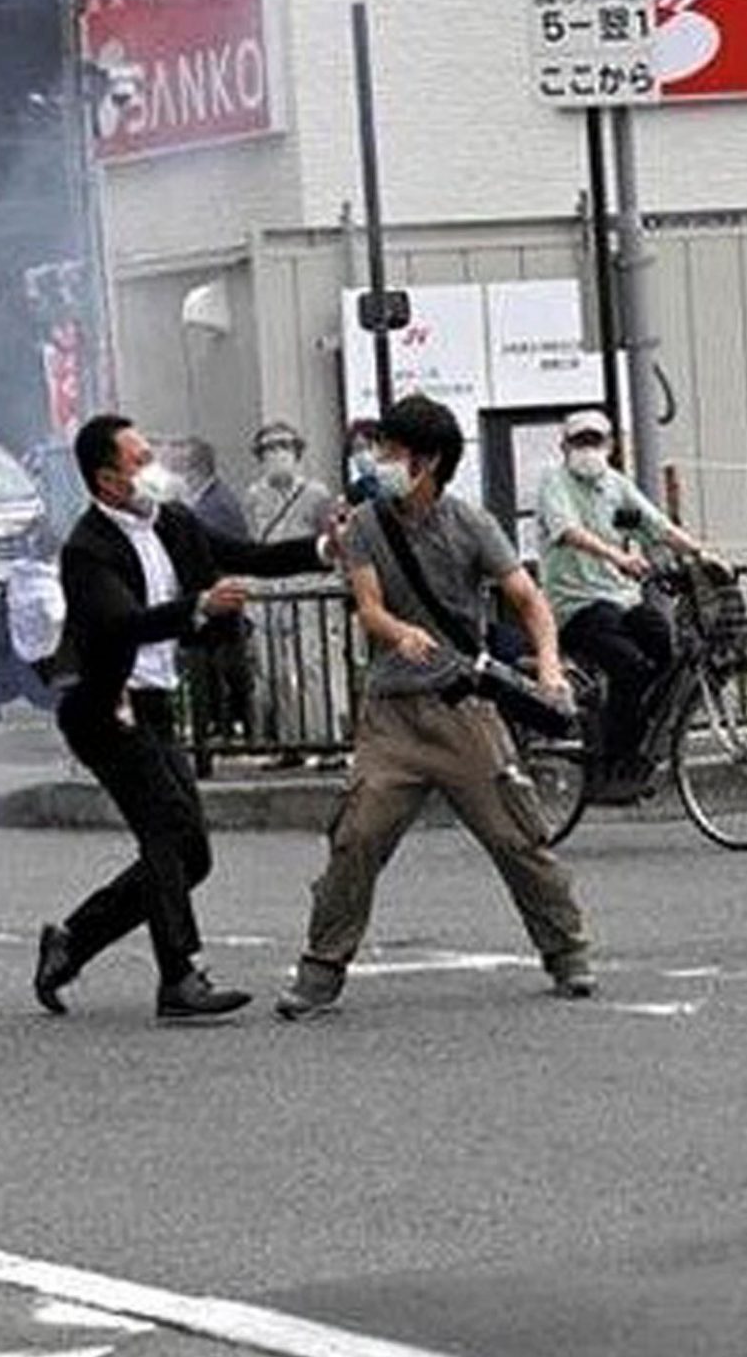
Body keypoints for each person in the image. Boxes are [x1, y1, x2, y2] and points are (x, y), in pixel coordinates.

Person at [275, 394, 595, 1021]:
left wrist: (550, 668)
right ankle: (321, 969)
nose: (379, 460)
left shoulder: (471, 524)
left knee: (515, 833)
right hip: (392, 715)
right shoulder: (365, 524)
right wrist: (397, 632)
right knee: (357, 836)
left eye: (391, 451)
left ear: (427, 462)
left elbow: (529, 601)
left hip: (462, 709)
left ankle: (567, 950)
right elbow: (367, 607)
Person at [31, 414, 337, 1023]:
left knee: (191, 853)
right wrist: (195, 607)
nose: (158, 470)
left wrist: (326, 548)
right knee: (166, 833)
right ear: (108, 480)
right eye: (142, 460)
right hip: (105, 709)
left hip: (157, 703)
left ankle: (72, 941)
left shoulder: (171, 521)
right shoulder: (88, 549)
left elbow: (244, 555)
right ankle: (180, 976)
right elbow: (123, 623)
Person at [534, 407, 716, 798]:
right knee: (630, 668)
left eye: (595, 441)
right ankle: (611, 763)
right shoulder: (555, 482)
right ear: (563, 446)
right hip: (576, 604)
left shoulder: (616, 486)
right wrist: (618, 557)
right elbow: (568, 531)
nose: (588, 450)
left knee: (663, 646)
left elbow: (656, 525)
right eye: (579, 442)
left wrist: (702, 553)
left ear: (611, 445)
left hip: (620, 598)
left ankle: (637, 741)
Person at [240, 420, 347, 768]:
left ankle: (327, 740)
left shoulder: (316, 493)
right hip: (270, 589)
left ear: (297, 452)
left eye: (284, 446)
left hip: (309, 588)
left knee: (314, 667)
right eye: (270, 448)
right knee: (275, 671)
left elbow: (330, 542)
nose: (277, 454)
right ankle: (290, 743)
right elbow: (253, 541)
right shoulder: (254, 495)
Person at [172, 438, 256, 759]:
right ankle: (219, 732)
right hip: (211, 603)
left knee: (225, 671)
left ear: (195, 469)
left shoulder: (216, 505)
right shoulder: (201, 501)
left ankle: (231, 733)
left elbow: (216, 554)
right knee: (212, 673)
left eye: (180, 467)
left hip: (219, 603)